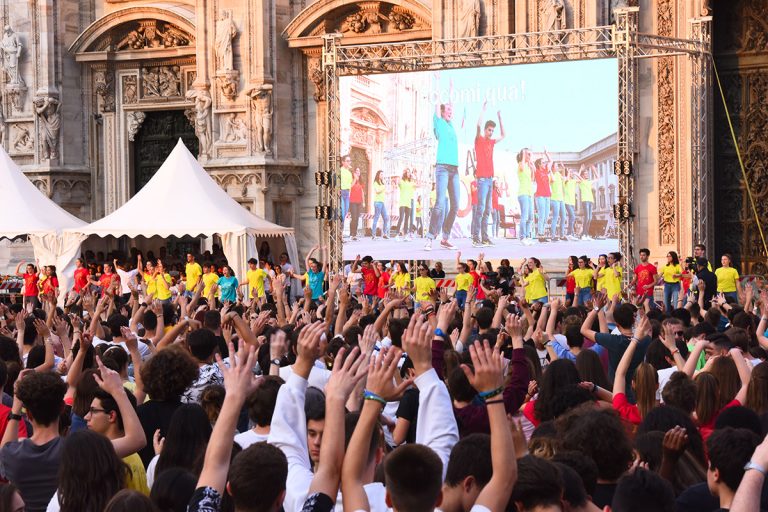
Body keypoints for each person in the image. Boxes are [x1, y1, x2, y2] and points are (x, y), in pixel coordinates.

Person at [0, 371, 67, 511]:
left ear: (28, 414)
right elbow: (127, 442)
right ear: (62, 408)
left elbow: (4, 451)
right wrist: (118, 392)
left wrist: (16, 408)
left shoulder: (12, 453)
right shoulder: (77, 449)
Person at [425, 77, 459, 252]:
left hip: (455, 170)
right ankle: (430, 238)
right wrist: (438, 84)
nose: (450, 112)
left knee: (455, 206)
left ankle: (445, 238)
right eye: (448, 110)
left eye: (451, 111)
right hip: (442, 168)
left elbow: (450, 104)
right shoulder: (439, 123)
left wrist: (451, 87)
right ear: (442, 112)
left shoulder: (451, 124)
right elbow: (439, 104)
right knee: (439, 204)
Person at [472, 100, 505, 248]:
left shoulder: (492, 142)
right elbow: (478, 125)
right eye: (489, 130)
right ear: (485, 130)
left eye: (492, 130)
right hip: (482, 180)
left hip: (490, 180)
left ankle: (485, 238)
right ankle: (475, 238)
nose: (491, 132)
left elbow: (504, 135)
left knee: (487, 210)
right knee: (480, 209)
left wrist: (499, 117)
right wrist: (483, 110)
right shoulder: (479, 140)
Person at [517, 148, 535, 245]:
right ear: (524, 154)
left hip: (528, 194)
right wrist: (524, 155)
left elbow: (531, 180)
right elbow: (522, 168)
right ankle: (522, 237)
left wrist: (532, 169)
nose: (529, 156)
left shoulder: (527, 167)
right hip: (523, 194)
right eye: (528, 154)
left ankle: (527, 236)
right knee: (524, 216)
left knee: (530, 217)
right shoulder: (521, 164)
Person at [533, 155, 552, 243]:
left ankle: (543, 233)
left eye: (544, 162)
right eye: (543, 162)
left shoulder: (545, 171)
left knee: (546, 215)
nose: (545, 163)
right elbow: (532, 165)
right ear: (539, 164)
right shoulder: (536, 171)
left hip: (547, 195)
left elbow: (550, 161)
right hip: (540, 195)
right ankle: (540, 235)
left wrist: (546, 153)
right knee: (542, 215)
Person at [576, 165, 596, 240]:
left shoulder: (589, 182)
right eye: (586, 174)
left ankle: (586, 234)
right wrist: (580, 169)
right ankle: (583, 235)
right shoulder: (581, 181)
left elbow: (597, 178)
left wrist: (594, 170)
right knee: (587, 217)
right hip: (585, 201)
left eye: (587, 173)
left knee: (590, 218)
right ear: (583, 175)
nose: (587, 175)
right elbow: (578, 175)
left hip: (591, 201)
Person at [395, 169, 415, 242]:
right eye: (407, 172)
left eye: (409, 172)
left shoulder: (411, 182)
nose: (409, 173)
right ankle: (397, 235)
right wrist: (402, 173)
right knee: (401, 218)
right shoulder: (402, 181)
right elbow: (397, 182)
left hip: (408, 203)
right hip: (402, 202)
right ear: (405, 173)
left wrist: (414, 177)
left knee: (407, 220)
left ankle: (405, 236)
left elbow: (419, 185)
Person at [371, 170, 390, 240]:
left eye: (383, 174)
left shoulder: (382, 184)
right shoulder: (375, 183)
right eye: (381, 174)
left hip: (382, 203)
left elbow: (386, 192)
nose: (382, 176)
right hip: (377, 203)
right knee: (376, 218)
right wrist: (383, 187)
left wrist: (392, 189)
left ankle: (384, 233)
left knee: (386, 218)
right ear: (378, 175)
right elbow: (377, 191)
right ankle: (373, 235)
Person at [349, 168, 365, 241]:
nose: (358, 172)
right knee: (354, 218)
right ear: (354, 173)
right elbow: (350, 187)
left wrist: (363, 202)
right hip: (352, 201)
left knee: (357, 218)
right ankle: (351, 234)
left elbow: (362, 192)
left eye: (359, 171)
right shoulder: (352, 180)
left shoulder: (361, 182)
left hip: (359, 202)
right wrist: (355, 179)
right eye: (356, 171)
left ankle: (354, 234)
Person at [339, 155, 353, 235]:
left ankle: (341, 234)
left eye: (349, 161)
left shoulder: (349, 173)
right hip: (341, 192)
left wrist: (349, 194)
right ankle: (339, 233)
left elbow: (350, 185)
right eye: (347, 161)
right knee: (342, 212)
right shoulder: (340, 170)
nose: (349, 162)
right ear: (343, 162)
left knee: (344, 215)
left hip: (347, 194)